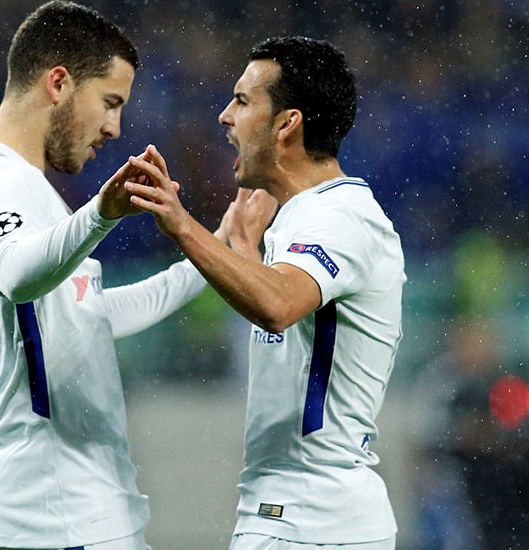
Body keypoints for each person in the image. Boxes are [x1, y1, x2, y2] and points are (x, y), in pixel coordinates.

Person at [0, 2, 209, 549]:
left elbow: (94, 315)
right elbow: (15, 274)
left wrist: (214, 250)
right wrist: (101, 215)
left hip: (77, 511)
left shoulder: (32, 192)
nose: (115, 127)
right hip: (52, 514)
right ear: (58, 82)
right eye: (110, 102)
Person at [125, 37, 405, 549]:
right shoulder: (300, 221)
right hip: (297, 514)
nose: (224, 116)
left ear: (286, 124)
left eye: (242, 100)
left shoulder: (339, 218)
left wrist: (181, 224)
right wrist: (247, 249)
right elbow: (292, 330)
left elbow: (278, 307)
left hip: (314, 520)